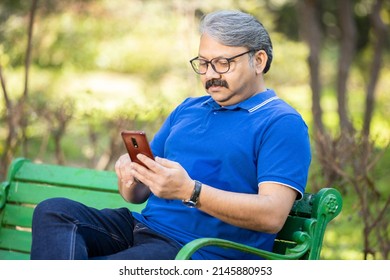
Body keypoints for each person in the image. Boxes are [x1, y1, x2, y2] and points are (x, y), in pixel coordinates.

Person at [30, 10, 311, 260]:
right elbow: (137, 194)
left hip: (198, 250)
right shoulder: (189, 108)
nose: (210, 74)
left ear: (258, 60)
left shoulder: (281, 123)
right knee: (54, 212)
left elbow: (272, 214)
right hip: (144, 227)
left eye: (223, 63)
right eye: (203, 63)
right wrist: (130, 176)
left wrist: (191, 191)